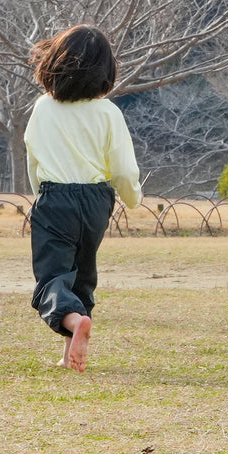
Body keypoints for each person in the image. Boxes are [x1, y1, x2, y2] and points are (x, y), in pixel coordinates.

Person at [24, 24, 142, 372]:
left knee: (53, 276)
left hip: (55, 197)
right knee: (82, 273)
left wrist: (41, 196)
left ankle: (74, 323)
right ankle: (69, 352)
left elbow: (33, 157)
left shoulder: (43, 108)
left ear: (53, 64)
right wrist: (132, 198)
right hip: (96, 201)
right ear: (106, 70)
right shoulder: (108, 113)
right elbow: (123, 167)